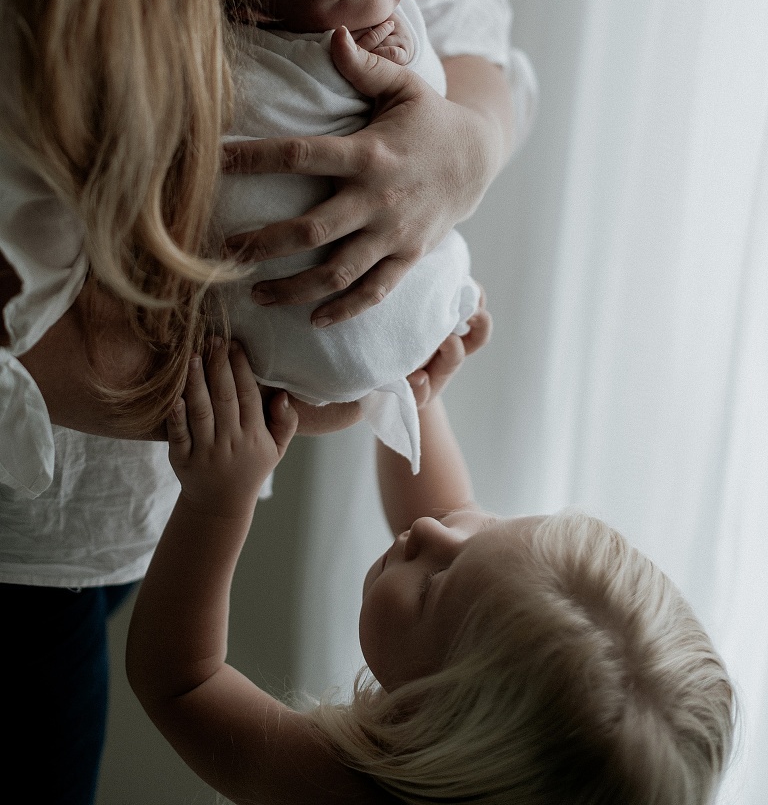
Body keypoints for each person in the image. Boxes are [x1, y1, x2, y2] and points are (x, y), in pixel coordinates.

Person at [0, 0, 533, 800]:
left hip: (122, 509)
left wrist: (461, 154)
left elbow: (461, 11)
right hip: (27, 520)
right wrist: (297, 397)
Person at [126, 341, 735, 805]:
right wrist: (413, 393)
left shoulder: (341, 794)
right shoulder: (463, 728)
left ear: (427, 724)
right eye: (490, 527)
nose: (431, 532)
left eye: (434, 587)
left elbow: (179, 680)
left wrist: (219, 501)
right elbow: (444, 513)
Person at [217, 0, 498, 472]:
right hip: (242, 388)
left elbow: (468, 61)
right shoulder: (239, 67)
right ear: (257, 16)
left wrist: (429, 93)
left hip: (311, 375)